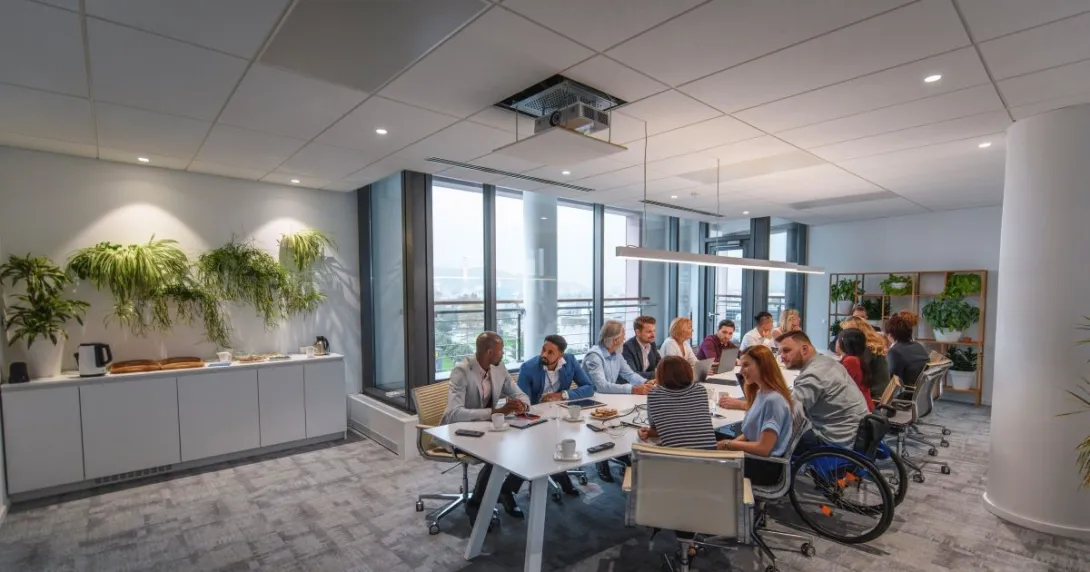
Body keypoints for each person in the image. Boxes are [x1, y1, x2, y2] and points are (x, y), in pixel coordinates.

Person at [441, 332, 531, 522]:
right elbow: (453, 414)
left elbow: (520, 394)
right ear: (490, 352)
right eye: (501, 350)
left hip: (490, 429)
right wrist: (495, 412)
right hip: (459, 431)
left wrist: (522, 404)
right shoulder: (462, 371)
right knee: (498, 454)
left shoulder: (499, 368)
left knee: (528, 443)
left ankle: (506, 491)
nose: (503, 354)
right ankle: (476, 506)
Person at [512, 334, 593, 497]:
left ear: (560, 355)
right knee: (540, 447)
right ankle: (510, 490)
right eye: (543, 349)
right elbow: (523, 401)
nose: (544, 354)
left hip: (560, 415)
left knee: (560, 442)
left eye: (550, 352)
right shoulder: (529, 368)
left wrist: (562, 395)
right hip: (536, 417)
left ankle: (509, 490)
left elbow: (589, 387)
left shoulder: (569, 362)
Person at [583, 320, 654, 482]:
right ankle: (601, 462)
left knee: (628, 419)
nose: (624, 339)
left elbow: (629, 374)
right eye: (622, 336)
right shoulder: (594, 356)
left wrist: (643, 383)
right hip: (593, 402)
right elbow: (601, 386)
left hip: (611, 399)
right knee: (608, 425)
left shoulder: (617, 353)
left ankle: (620, 452)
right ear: (614, 339)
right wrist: (633, 389)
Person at [776, 330, 869, 451]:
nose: (782, 357)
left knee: (773, 436)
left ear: (804, 349)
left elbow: (788, 412)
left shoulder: (812, 375)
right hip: (855, 433)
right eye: (779, 352)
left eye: (786, 350)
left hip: (835, 441)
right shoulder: (827, 362)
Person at [715, 345, 795, 486]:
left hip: (763, 467)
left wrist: (728, 444)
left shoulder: (773, 400)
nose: (741, 371)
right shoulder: (762, 392)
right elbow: (747, 434)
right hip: (756, 459)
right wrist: (728, 447)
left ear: (762, 365)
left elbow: (764, 448)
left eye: (746, 365)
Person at [638, 356, 717, 450]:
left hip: (676, 459)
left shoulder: (654, 394)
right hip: (710, 457)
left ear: (660, 375)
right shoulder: (700, 390)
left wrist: (648, 431)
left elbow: (655, 429)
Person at [839, 316, 892, 399]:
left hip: (874, 396)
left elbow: (856, 377)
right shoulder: (874, 346)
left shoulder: (867, 350)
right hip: (880, 392)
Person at [885, 312, 930, 393]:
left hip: (902, 395)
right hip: (917, 393)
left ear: (890, 335)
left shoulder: (895, 352)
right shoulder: (918, 346)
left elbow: (889, 380)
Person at [835, 328, 875, 411]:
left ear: (843, 342)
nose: (836, 342)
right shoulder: (855, 359)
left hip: (858, 411)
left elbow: (838, 386)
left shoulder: (851, 361)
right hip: (859, 407)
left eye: (837, 339)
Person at [622, 315, 661, 380]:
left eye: (654, 331)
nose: (653, 335)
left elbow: (660, 362)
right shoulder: (627, 348)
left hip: (649, 383)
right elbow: (632, 374)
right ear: (638, 332)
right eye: (649, 332)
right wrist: (657, 374)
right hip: (634, 386)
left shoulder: (651, 343)